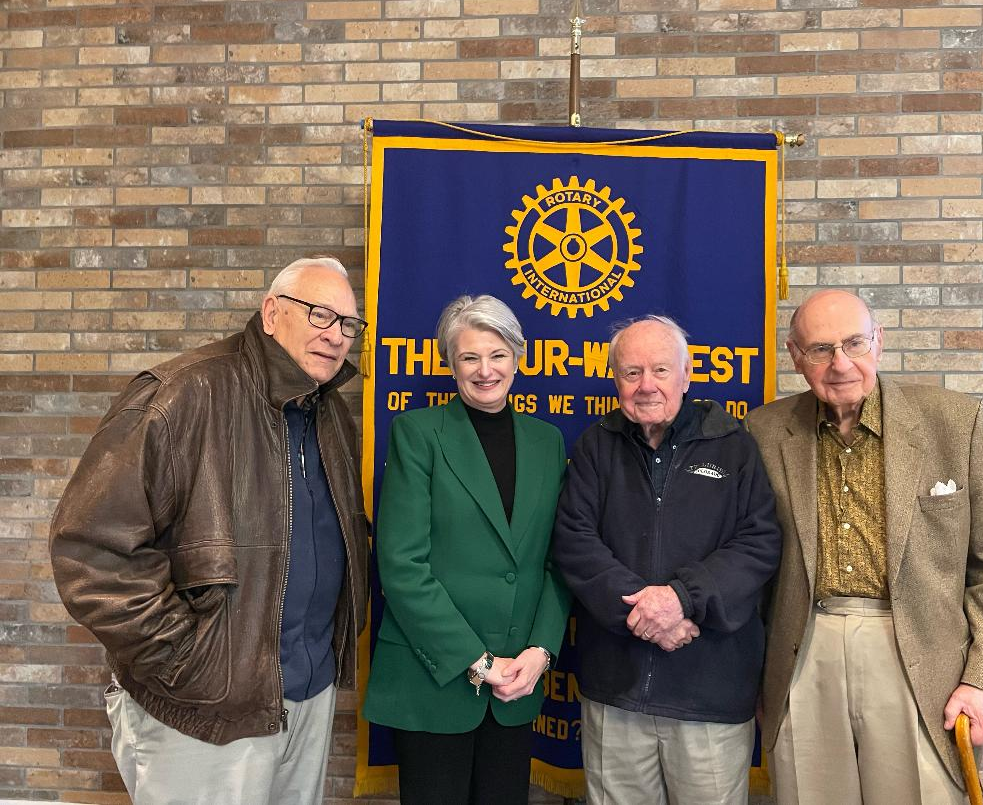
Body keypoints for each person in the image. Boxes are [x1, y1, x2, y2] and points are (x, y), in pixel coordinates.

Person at [49, 256, 370, 805]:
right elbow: (92, 553)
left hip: (308, 699)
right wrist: (189, 663)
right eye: (319, 314)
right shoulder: (183, 392)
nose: (336, 335)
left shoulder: (330, 414)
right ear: (272, 313)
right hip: (204, 713)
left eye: (348, 323)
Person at [744, 288, 983, 805]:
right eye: (820, 349)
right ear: (795, 356)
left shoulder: (954, 421)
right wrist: (758, 678)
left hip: (921, 656)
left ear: (879, 341)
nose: (840, 364)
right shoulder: (763, 431)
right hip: (803, 650)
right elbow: (752, 564)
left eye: (854, 343)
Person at [551, 315, 782, 805]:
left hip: (711, 695)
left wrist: (681, 599)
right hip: (615, 694)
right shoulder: (595, 446)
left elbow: (759, 543)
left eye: (660, 370)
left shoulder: (735, 447)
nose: (646, 385)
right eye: (631, 372)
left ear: (687, 374)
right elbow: (574, 541)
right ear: (615, 379)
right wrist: (647, 614)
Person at [362, 295, 571, 805]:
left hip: (517, 684)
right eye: (469, 357)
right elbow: (403, 567)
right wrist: (478, 662)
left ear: (518, 357)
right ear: (450, 363)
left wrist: (540, 653)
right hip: (433, 681)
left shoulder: (548, 442)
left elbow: (559, 559)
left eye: (498, 355)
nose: (485, 370)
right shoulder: (417, 433)